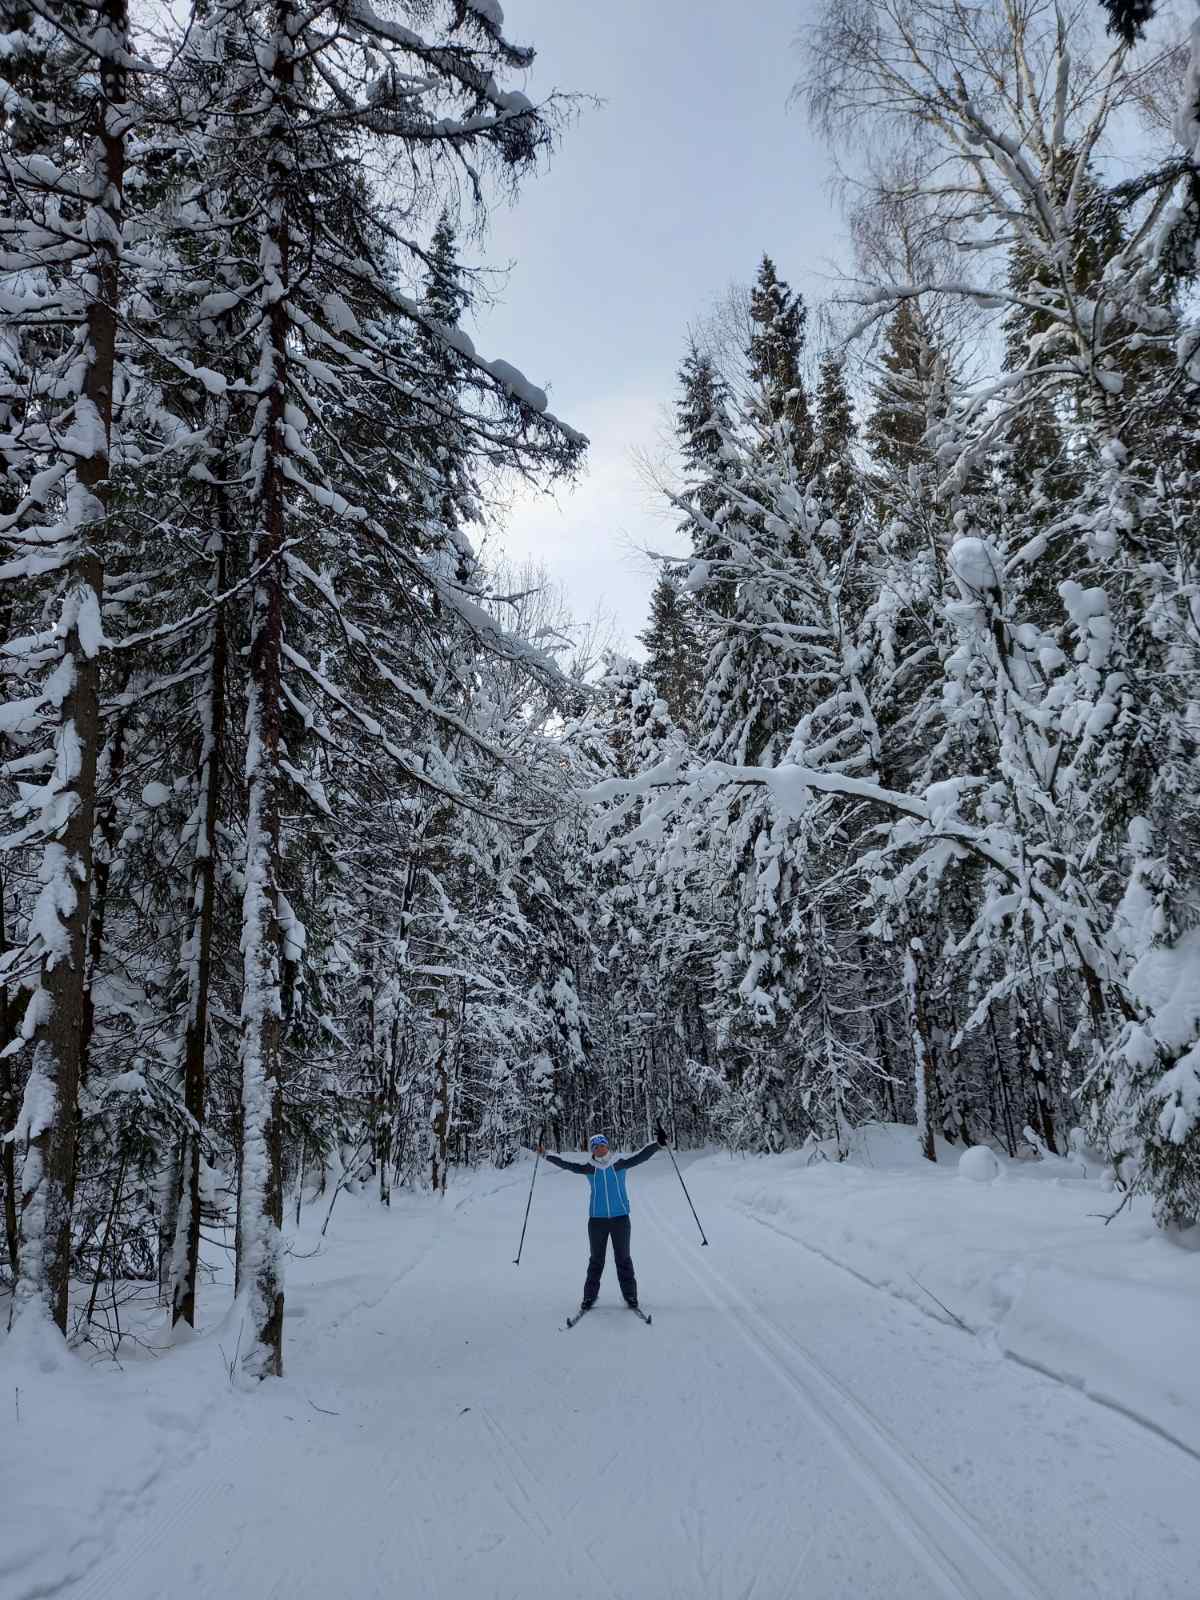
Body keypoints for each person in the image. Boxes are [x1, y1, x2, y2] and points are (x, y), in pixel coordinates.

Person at [537, 1126, 667, 1312]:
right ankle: (589, 1296)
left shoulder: (618, 1163)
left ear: (607, 1146)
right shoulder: (590, 1168)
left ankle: (630, 1295)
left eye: (602, 1145)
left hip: (620, 1219)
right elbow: (568, 1164)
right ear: (592, 1150)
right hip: (597, 1221)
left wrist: (658, 1144)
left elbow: (640, 1157)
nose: (599, 1149)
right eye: (595, 1146)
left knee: (623, 1258)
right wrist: (546, 1155)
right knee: (596, 1260)